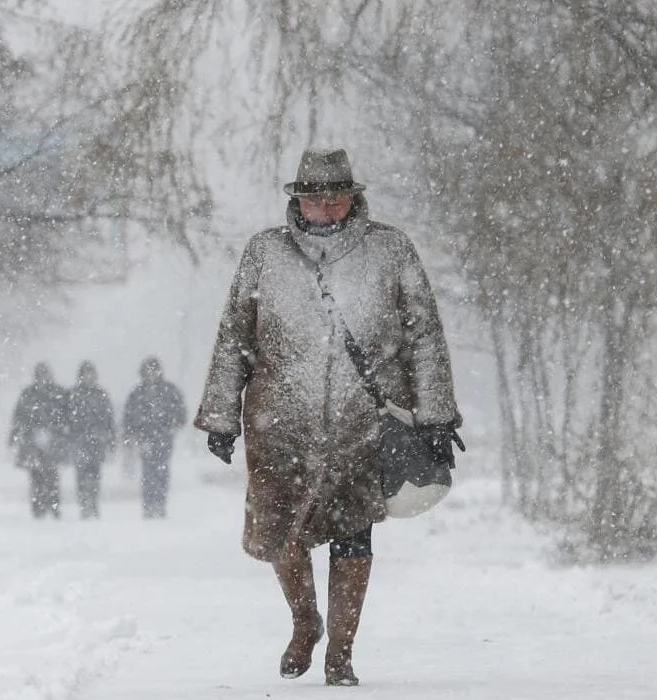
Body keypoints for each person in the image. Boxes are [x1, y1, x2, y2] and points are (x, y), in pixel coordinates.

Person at [194, 147, 462, 686]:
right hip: (279, 427)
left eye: (337, 198)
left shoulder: (391, 250)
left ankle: (341, 653)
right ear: (298, 202)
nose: (327, 208)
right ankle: (304, 620)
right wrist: (222, 415)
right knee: (282, 537)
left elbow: (424, 337)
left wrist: (435, 415)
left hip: (358, 428)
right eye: (316, 199)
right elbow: (234, 339)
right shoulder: (264, 254)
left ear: (354, 198)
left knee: (353, 539)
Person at [122, 356, 187, 519]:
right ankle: (149, 505)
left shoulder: (170, 391)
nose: (150, 373)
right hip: (145, 440)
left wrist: (172, 424)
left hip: (164, 439)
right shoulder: (137, 393)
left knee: (162, 471)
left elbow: (181, 414)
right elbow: (128, 418)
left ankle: (160, 503)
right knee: (148, 472)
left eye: (153, 370)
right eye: (148, 370)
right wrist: (132, 435)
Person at [8, 362, 69, 519]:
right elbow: (19, 417)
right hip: (33, 442)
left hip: (52, 440)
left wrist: (62, 434)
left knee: (52, 475)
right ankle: (38, 508)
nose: (43, 378)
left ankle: (54, 506)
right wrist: (14, 436)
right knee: (36, 476)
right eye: (40, 375)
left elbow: (66, 416)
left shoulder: (58, 393)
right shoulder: (28, 394)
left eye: (45, 375)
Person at [64, 360, 115, 519]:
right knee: (81, 475)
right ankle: (84, 504)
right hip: (79, 441)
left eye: (90, 373)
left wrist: (111, 440)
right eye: (86, 374)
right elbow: (65, 419)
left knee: (95, 475)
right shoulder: (73, 395)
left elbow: (109, 420)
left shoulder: (101, 395)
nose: (88, 377)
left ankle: (93, 503)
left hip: (96, 442)